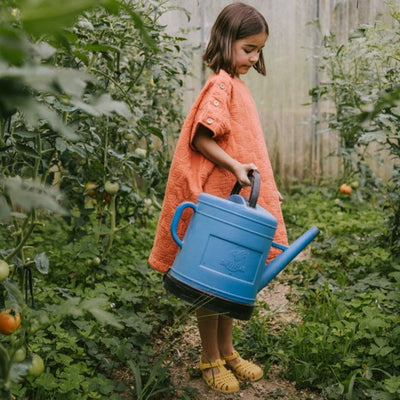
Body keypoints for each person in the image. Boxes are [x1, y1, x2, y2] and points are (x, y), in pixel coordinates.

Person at [148, 2, 287, 394]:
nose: (255, 57)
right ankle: (209, 356)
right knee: (212, 287)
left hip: (235, 206)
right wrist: (237, 167)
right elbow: (201, 137)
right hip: (219, 206)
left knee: (230, 282)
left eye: (259, 50)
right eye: (248, 49)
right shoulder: (221, 85)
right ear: (227, 42)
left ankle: (227, 351)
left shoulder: (236, 86)